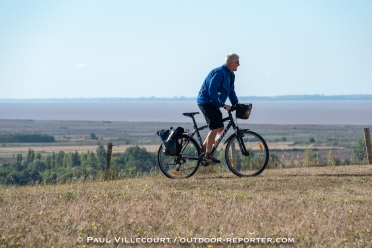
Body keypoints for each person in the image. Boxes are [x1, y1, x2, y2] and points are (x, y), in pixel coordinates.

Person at [197, 53, 240, 164]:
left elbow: (231, 92)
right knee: (215, 127)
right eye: (237, 62)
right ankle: (207, 154)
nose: (239, 65)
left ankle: (202, 150)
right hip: (206, 102)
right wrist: (222, 104)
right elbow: (212, 91)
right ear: (231, 63)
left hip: (214, 103)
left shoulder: (231, 75)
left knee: (220, 127)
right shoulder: (219, 72)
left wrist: (236, 104)